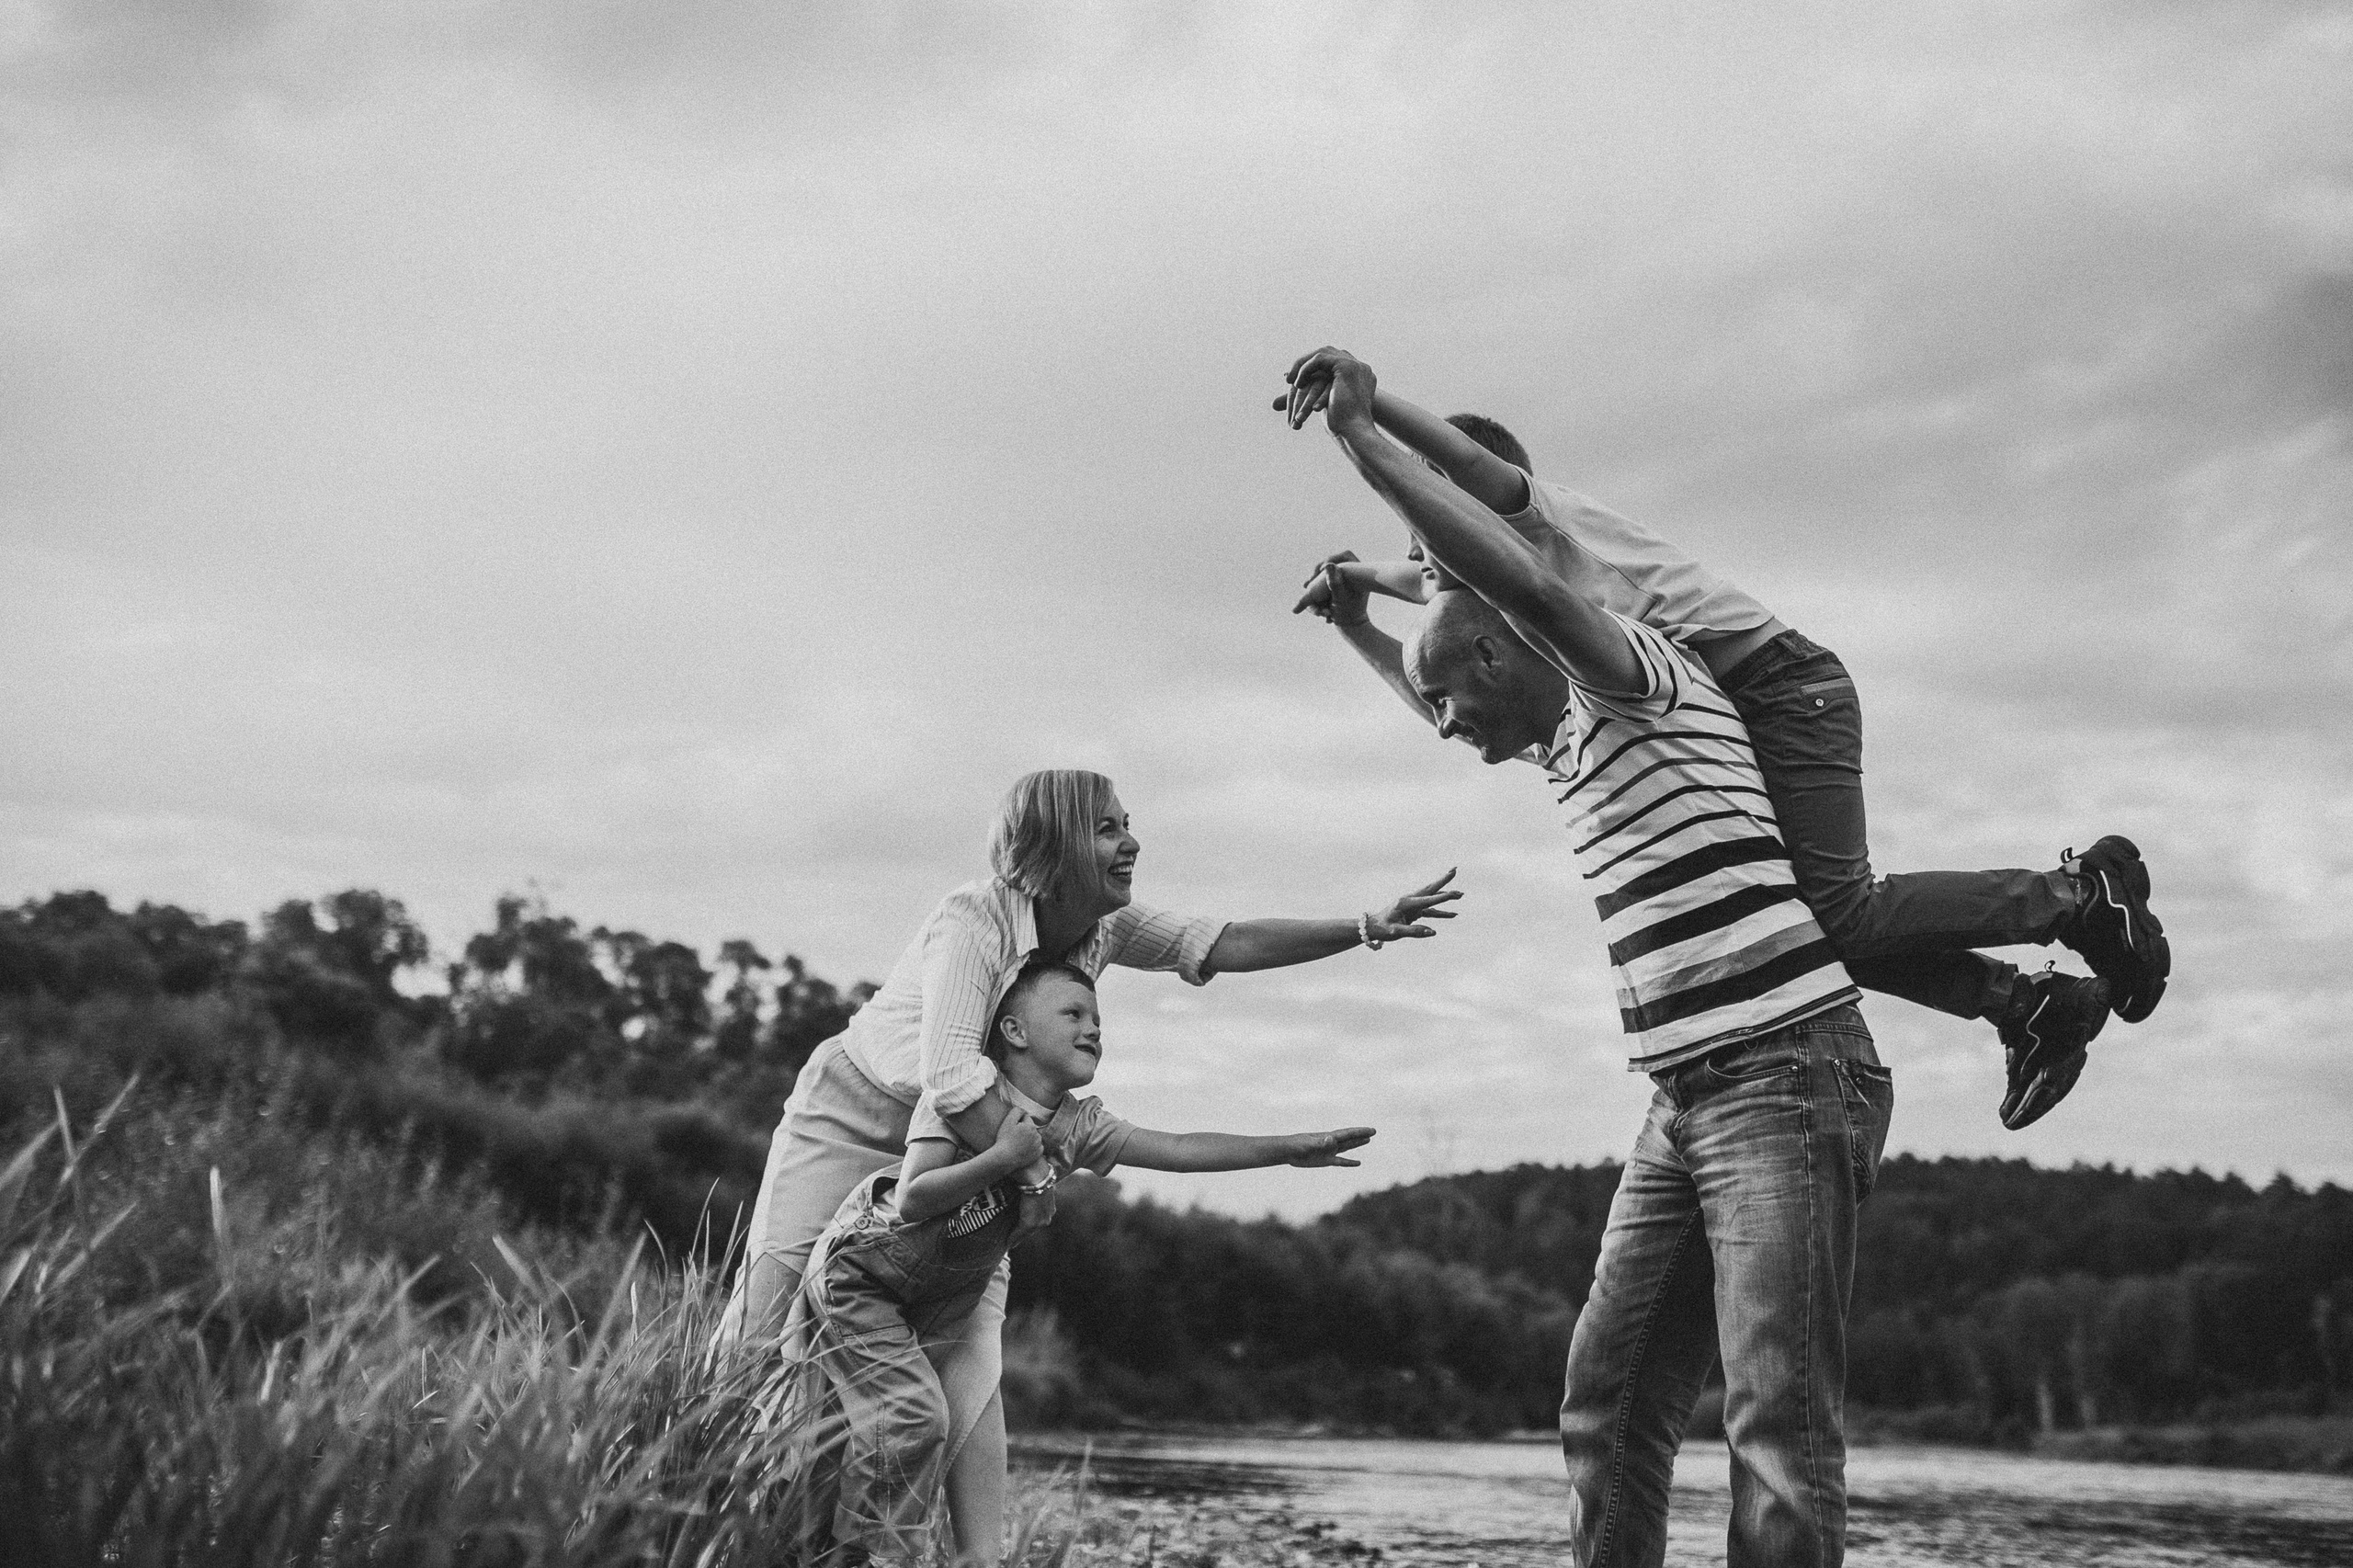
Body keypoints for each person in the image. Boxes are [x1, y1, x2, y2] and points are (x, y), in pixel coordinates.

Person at [1279, 342, 1905, 1563]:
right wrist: (1359, 618)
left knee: (1777, 1428)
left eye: (1453, 699)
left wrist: (1363, 440)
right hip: (1686, 1101)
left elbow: (1515, 584)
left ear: (1507, 652)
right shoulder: (1559, 743)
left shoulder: (1633, 677)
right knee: (1605, 1410)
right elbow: (1445, 674)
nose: (1444, 727)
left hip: (1787, 1075)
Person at [1281, 355, 2168, 1129]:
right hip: (1737, 712)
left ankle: (2075, 896)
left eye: (1434, 521)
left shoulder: (1539, 517)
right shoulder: (1487, 582)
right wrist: (1355, 585)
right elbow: (1427, 582)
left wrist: (1372, 410)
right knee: (1810, 925)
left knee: (1844, 907)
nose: (1429, 560)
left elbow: (1464, 480)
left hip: (1788, 689)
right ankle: (2029, 1006)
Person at [718, 767, 1456, 1564]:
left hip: (980, 1159)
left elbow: (1222, 941)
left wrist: (1365, 925)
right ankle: (698, 1510)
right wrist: (1033, 1172)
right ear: (1053, 843)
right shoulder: (974, 919)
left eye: (1126, 823)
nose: (1131, 841)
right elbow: (952, 1076)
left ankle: (975, 1558)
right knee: (764, 1330)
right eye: (1107, 827)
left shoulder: (1105, 929)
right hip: (861, 1119)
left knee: (974, 1364)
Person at [774, 960, 1375, 1565]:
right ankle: (862, 1557)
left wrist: (1290, 1150)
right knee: (913, 1417)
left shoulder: (1078, 1126)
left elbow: (1179, 1148)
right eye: (1074, 1014)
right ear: (1014, 1031)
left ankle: (829, 1549)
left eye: (1097, 1019)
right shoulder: (961, 1089)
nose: (1093, 1029)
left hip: (932, 1297)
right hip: (861, 1277)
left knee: (876, 1432)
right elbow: (915, 1195)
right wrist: (1004, 1158)